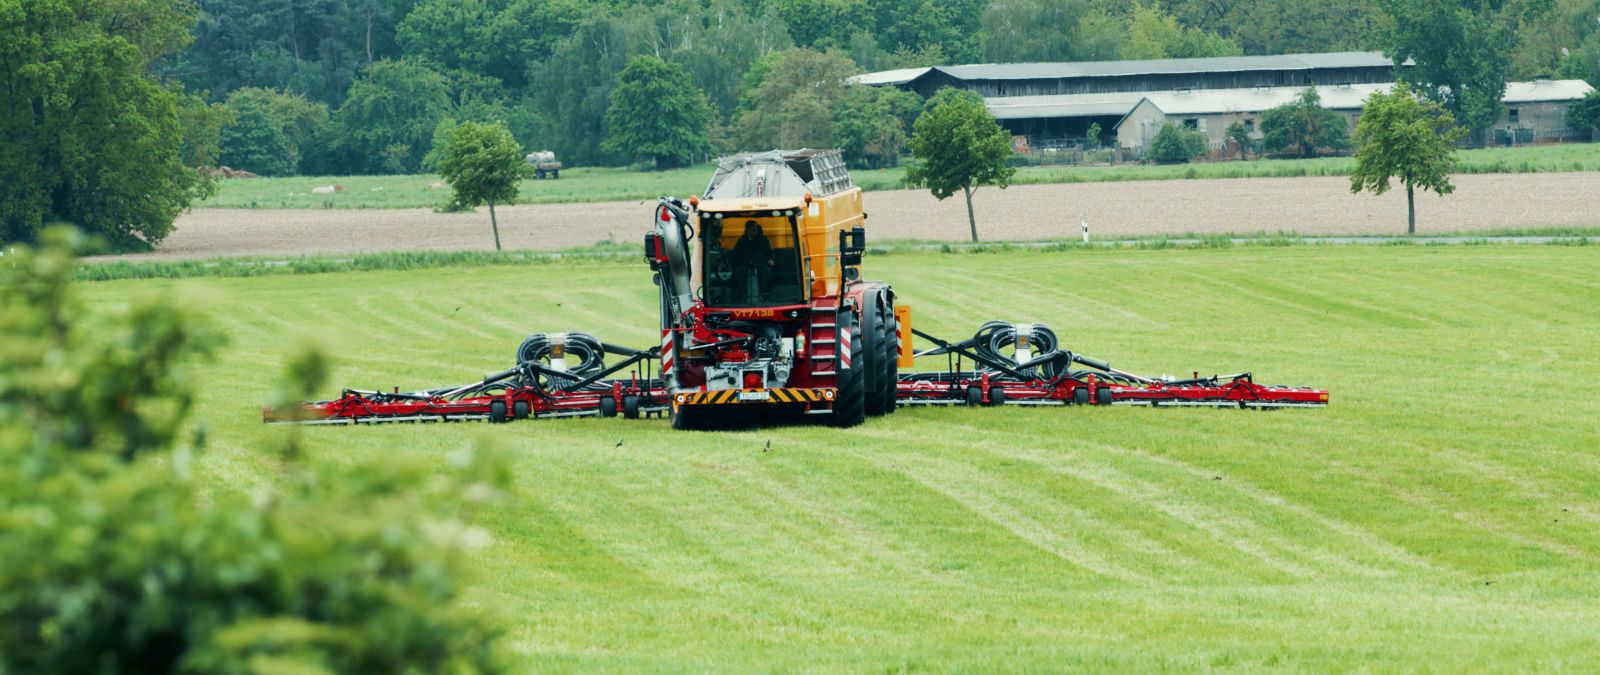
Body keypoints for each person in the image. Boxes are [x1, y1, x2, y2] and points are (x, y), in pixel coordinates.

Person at [731, 220, 774, 303]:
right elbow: (736, 255)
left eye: (755, 228)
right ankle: (743, 295)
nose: (755, 230)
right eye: (752, 228)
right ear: (747, 229)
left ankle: (763, 293)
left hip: (761, 263)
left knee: (769, 273)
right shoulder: (741, 241)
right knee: (737, 274)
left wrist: (771, 259)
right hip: (744, 264)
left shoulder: (763, 240)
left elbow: (770, 252)